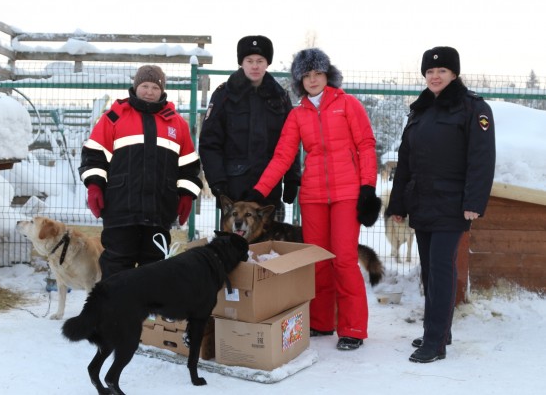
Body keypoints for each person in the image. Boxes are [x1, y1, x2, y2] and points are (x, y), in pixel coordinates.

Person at [246, 48, 381, 351]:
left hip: (347, 194)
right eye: (306, 75)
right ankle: (321, 322)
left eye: (317, 73)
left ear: (327, 75)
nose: (312, 80)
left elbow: (366, 145)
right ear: (300, 81)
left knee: (344, 260)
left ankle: (353, 328)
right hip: (313, 196)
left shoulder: (348, 105)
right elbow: (283, 156)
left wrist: (368, 188)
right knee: (318, 261)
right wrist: (259, 191)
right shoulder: (298, 115)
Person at [386, 46, 496, 363]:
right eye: (430, 72)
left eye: (442, 71)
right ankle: (439, 331)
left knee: (441, 269)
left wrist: (474, 202)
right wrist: (398, 204)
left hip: (453, 204)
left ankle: (435, 343)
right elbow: (405, 161)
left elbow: (481, 159)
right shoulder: (419, 110)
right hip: (422, 202)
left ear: (454, 74)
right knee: (429, 270)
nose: (435, 76)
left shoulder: (474, 108)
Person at [79, 65, 203, 280]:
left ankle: (150, 313)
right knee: (117, 265)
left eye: (155, 87)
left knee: (154, 268)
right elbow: (94, 155)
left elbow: (189, 165)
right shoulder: (114, 117)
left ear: (162, 90)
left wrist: (186, 195)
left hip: (159, 209)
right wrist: (94, 185)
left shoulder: (177, 123)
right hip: (120, 208)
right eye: (144, 86)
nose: (149, 91)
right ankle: (113, 311)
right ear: (136, 87)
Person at [199, 35, 301, 222]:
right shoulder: (224, 95)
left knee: (270, 247)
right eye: (250, 61)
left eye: (260, 61)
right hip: (234, 189)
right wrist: (217, 182)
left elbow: (291, 141)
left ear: (267, 63)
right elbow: (209, 142)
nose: (255, 66)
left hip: (270, 190)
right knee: (233, 248)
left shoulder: (280, 97)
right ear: (241, 63)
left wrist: (292, 179)